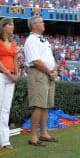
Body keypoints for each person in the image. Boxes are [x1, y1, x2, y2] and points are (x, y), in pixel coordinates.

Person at [24, 16, 58, 147]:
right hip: (39, 74)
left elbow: (49, 58)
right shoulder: (32, 39)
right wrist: (49, 72)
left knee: (45, 105)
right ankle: (33, 136)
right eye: (41, 22)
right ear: (34, 25)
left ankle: (43, 133)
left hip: (47, 74)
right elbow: (35, 60)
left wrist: (54, 70)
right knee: (39, 104)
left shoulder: (42, 39)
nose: (43, 23)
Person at [0, 18, 18, 149]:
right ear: (3, 26)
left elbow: (15, 59)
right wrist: (8, 73)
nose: (12, 27)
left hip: (10, 77)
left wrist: (16, 74)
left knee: (6, 109)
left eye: (12, 24)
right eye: (10, 24)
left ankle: (5, 140)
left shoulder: (13, 42)